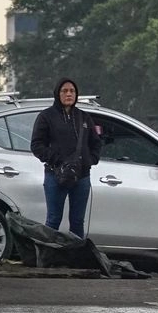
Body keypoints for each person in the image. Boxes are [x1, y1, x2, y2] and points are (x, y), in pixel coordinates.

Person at [29, 78, 102, 237]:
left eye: (72, 91)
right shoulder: (46, 116)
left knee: (77, 221)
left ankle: (75, 258)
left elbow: (96, 143)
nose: (69, 94)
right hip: (55, 175)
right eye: (64, 91)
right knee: (54, 219)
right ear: (57, 94)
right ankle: (49, 256)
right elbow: (36, 145)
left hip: (81, 176)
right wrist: (56, 159)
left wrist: (89, 160)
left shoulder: (84, 117)